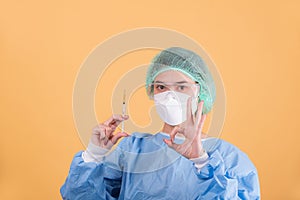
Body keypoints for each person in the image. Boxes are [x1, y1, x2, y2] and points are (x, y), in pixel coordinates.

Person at [60, 47, 260, 199]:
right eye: (161, 86)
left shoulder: (230, 159)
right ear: (152, 91)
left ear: (201, 92)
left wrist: (201, 161)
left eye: (181, 87)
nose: (170, 95)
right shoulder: (133, 151)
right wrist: (93, 155)